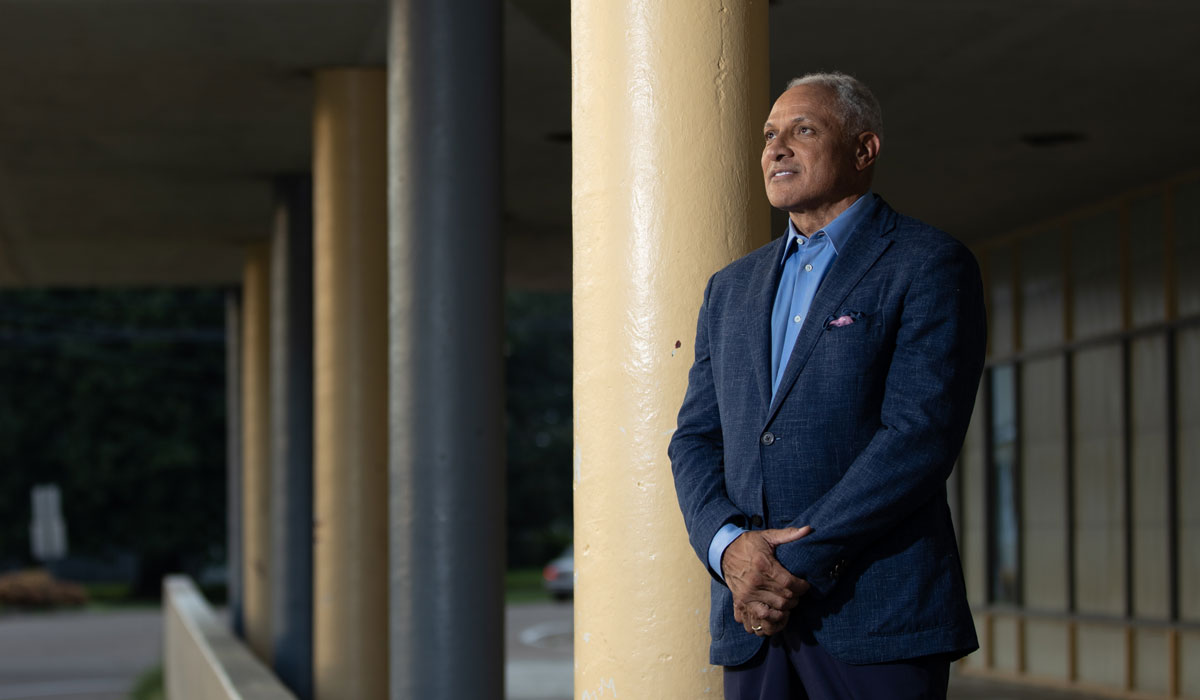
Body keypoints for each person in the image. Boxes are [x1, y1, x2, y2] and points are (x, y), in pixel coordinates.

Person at [668, 72, 986, 699]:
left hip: (875, 614)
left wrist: (785, 566)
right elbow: (695, 438)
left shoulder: (928, 263)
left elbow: (917, 439)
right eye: (769, 136)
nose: (777, 149)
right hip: (751, 619)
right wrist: (729, 549)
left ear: (864, 150)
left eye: (803, 131)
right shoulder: (729, 287)